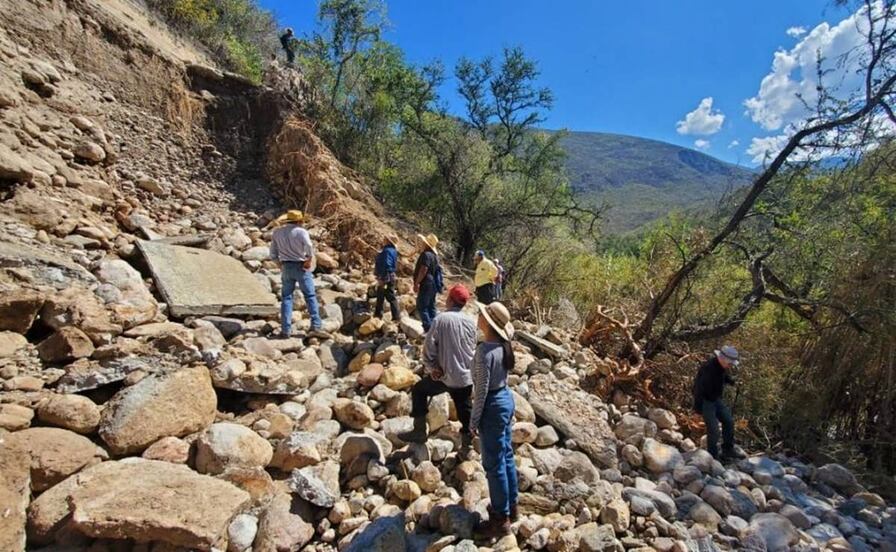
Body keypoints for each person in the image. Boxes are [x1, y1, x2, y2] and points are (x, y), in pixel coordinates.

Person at [398, 285, 477, 454]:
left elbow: (429, 347)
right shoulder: (471, 321)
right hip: (464, 377)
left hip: (443, 376)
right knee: (465, 412)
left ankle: (419, 431)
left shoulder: (441, 319)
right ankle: (467, 446)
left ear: (450, 300)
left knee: (419, 391)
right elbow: (472, 348)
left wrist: (432, 367)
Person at [471, 301, 519, 538]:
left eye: (481, 314)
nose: (478, 315)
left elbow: (480, 391)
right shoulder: (503, 346)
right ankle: (512, 506)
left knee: (493, 463)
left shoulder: (484, 351)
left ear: (488, 323)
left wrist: (473, 421)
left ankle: (500, 519)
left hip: (492, 405)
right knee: (506, 455)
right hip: (505, 400)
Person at [269, 210, 325, 338]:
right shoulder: (301, 231)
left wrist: (280, 264)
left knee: (286, 298)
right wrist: (309, 259)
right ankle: (316, 326)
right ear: (299, 221)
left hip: (286, 266)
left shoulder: (277, 232)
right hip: (301, 267)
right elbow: (309, 246)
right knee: (310, 296)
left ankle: (285, 330)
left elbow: (272, 253)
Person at [693, 345, 745, 461]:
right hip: (706, 402)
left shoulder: (721, 366)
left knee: (729, 421)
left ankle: (727, 450)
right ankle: (712, 456)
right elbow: (698, 389)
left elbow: (723, 376)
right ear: (722, 358)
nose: (731, 366)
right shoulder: (708, 369)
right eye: (730, 363)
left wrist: (732, 382)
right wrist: (697, 410)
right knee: (714, 430)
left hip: (716, 399)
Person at [413, 233, 440, 332]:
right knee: (431, 306)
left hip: (426, 283)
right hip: (433, 284)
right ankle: (435, 328)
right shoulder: (435, 257)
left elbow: (423, 269)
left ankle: (428, 329)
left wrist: (417, 283)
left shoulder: (426, 255)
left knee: (421, 306)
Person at [373, 234, 401, 321]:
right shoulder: (393, 251)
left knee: (384, 294)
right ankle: (394, 316)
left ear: (388, 241)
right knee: (388, 294)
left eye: (385, 239)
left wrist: (382, 277)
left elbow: (386, 264)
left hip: (386, 275)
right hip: (391, 275)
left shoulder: (387, 251)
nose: (383, 240)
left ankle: (379, 314)